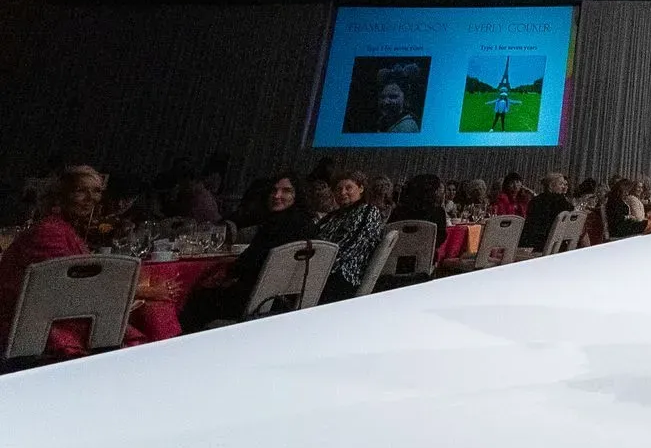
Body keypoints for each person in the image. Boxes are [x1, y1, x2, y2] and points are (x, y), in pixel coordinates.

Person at [0, 167, 175, 355]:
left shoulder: (63, 228)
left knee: (154, 310)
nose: (91, 198)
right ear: (60, 197)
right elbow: (75, 287)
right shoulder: (48, 232)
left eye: (96, 191)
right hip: (37, 326)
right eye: (80, 191)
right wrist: (144, 291)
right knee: (154, 311)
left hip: (63, 311)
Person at [181, 173, 317, 331]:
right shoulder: (306, 224)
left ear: (297, 195)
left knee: (198, 298)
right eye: (274, 190)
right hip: (287, 299)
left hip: (259, 299)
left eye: (286, 191)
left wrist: (229, 272)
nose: (277, 195)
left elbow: (251, 261)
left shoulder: (278, 225)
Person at [316, 171, 385, 301]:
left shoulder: (368, 211)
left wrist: (321, 265)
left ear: (361, 189)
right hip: (321, 268)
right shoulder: (333, 216)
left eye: (348, 188)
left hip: (344, 274)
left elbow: (355, 245)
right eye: (338, 189)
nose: (342, 193)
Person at [519, 171, 574, 252]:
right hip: (547, 245)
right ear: (551, 186)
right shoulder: (561, 203)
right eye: (561, 184)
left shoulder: (535, 200)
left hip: (538, 243)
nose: (563, 187)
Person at [390, 173, 449, 247]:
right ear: (434, 191)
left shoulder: (399, 210)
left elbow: (389, 231)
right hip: (425, 254)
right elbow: (441, 238)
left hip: (398, 251)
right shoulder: (438, 212)